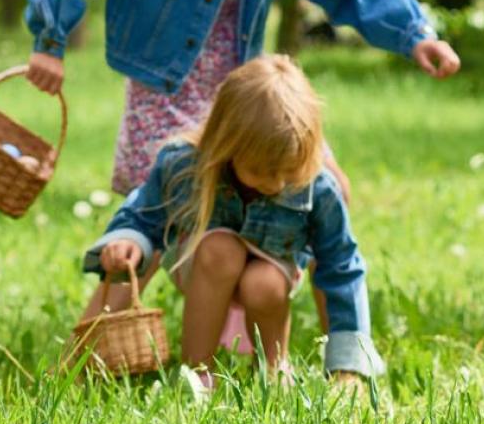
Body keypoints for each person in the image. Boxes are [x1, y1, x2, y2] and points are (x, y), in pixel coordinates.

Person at [24, 0, 459, 347]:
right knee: (158, 212)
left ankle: (344, 354)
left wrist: (414, 33)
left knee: (328, 186)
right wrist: (50, 38)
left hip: (240, 90)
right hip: (166, 86)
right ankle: (82, 358)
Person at [83, 57, 381, 393]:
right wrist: (130, 241)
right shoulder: (185, 165)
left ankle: (272, 369)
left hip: (272, 275)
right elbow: (144, 214)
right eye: (262, 171)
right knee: (219, 249)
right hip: (205, 267)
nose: (277, 184)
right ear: (227, 145)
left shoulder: (318, 188)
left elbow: (341, 268)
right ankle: (197, 373)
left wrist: (347, 366)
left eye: (288, 171)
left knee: (264, 281)